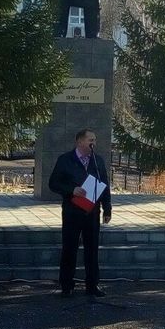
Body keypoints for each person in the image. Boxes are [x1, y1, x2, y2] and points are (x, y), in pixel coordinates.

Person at [47, 127, 113, 296]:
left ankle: (92, 285)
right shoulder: (66, 160)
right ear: (79, 141)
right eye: (90, 139)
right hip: (72, 211)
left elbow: (104, 185)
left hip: (91, 212)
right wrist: (71, 190)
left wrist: (107, 208)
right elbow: (53, 183)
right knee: (70, 248)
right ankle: (67, 285)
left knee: (92, 249)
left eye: (95, 140)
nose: (94, 143)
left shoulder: (97, 161)